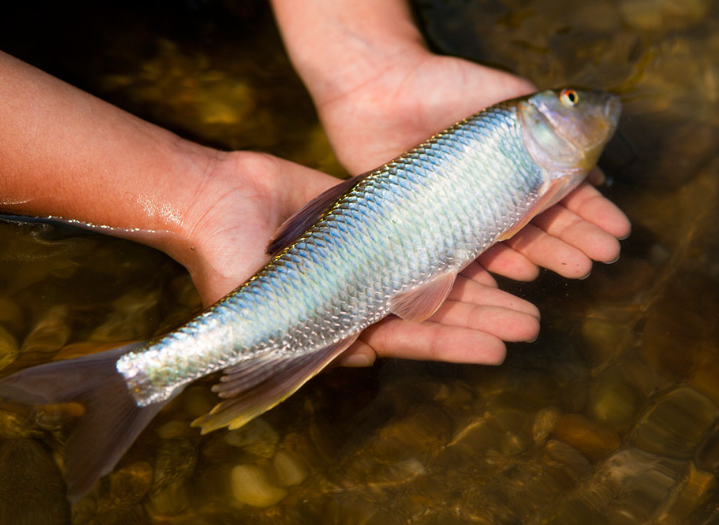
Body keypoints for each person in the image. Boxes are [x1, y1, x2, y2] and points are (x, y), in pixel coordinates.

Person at [0, 0, 630, 369]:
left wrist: (364, 52)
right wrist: (191, 201)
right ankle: (150, 374)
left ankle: (153, 371)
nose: (585, 104)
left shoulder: (539, 155)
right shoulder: (521, 137)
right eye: (569, 98)